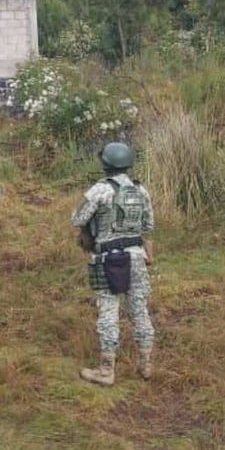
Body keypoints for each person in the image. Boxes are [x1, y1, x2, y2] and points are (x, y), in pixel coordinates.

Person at [72, 142, 156, 386]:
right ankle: (145, 364)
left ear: (106, 163)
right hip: (137, 256)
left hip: (107, 258)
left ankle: (106, 370)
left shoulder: (100, 190)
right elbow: (148, 226)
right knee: (139, 310)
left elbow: (78, 219)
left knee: (108, 311)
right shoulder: (141, 190)